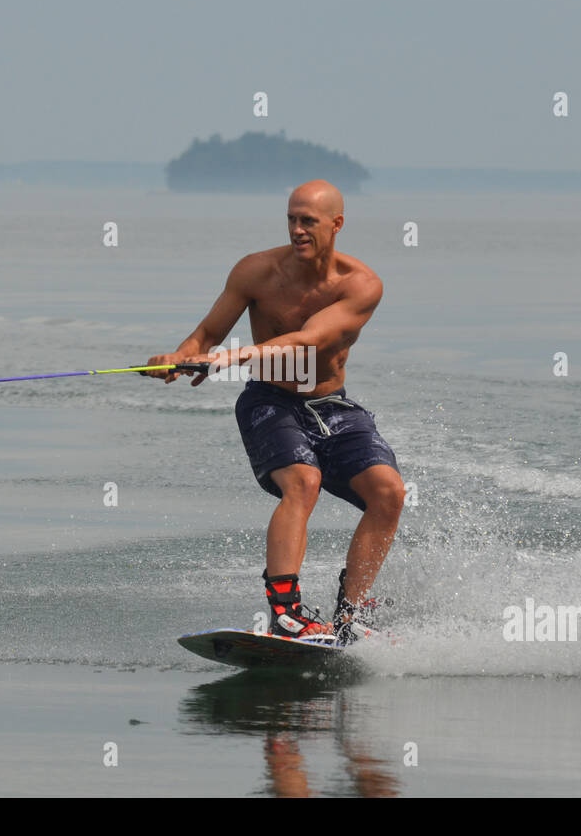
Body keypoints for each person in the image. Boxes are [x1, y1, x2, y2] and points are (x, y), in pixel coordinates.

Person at [145, 180, 404, 643]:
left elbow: (309, 340)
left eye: (309, 221)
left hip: (332, 404)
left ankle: (350, 612)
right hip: (270, 400)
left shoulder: (361, 284)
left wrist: (233, 356)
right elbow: (205, 334)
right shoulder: (255, 272)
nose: (297, 230)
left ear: (336, 224)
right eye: (291, 219)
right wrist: (176, 359)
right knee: (303, 481)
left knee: (389, 492)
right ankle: (286, 611)